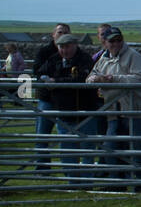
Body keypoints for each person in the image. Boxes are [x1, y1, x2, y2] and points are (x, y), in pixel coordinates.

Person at [87, 27, 141, 189]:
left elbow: (140, 78)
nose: (115, 43)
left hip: (134, 109)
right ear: (105, 42)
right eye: (112, 41)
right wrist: (95, 79)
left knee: (137, 148)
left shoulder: (134, 56)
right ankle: (117, 182)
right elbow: (89, 78)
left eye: (118, 40)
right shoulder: (103, 59)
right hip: (113, 110)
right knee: (111, 147)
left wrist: (111, 79)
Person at [41, 34, 100, 186]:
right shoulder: (53, 59)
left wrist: (56, 82)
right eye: (61, 47)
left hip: (86, 109)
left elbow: (82, 78)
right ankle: (72, 181)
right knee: (67, 148)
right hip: (64, 110)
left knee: (87, 146)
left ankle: (87, 181)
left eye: (67, 47)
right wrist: (45, 81)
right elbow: (40, 73)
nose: (64, 50)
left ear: (75, 45)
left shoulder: (85, 59)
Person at [33, 23, 72, 172]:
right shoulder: (45, 51)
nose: (62, 35)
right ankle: (42, 167)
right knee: (42, 134)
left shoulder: (73, 52)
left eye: (66, 32)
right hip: (47, 99)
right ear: (53, 35)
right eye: (60, 32)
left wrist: (56, 81)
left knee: (66, 135)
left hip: (65, 100)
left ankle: (69, 169)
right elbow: (36, 71)